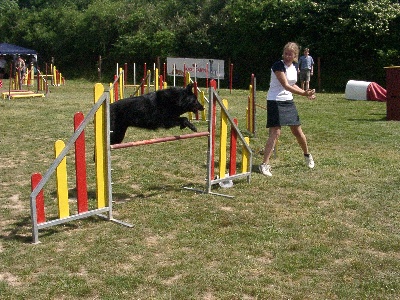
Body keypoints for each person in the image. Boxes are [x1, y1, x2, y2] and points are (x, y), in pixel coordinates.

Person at [259, 42, 315, 177]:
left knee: (297, 130)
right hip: (275, 100)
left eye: (290, 54)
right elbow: (285, 85)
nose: (287, 56)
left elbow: (292, 84)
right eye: (286, 53)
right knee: (275, 132)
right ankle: (264, 164)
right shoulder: (278, 65)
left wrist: (305, 92)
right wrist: (304, 94)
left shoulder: (295, 66)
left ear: (295, 55)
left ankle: (307, 155)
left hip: (288, 101)